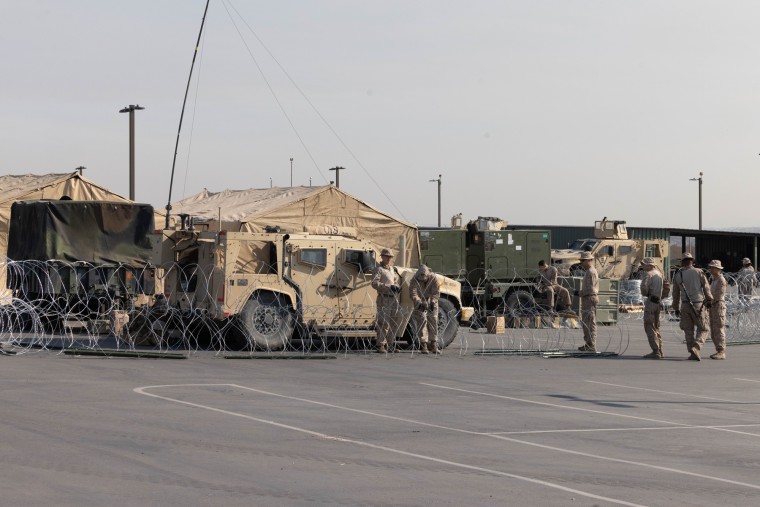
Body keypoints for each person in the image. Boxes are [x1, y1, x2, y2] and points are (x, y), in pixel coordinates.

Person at [671, 253, 713, 361]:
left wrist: (675, 307)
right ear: (692, 261)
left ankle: (692, 351)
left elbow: (675, 293)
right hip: (698, 304)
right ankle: (697, 346)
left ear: (682, 262)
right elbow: (706, 288)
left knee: (688, 330)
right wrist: (709, 300)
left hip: (685, 304)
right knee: (704, 328)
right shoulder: (699, 272)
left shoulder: (678, 275)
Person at [371, 248, 401, 353]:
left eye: (390, 257)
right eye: (386, 256)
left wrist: (396, 287)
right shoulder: (378, 269)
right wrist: (388, 287)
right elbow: (374, 283)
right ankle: (381, 345)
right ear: (382, 257)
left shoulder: (392, 269)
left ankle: (390, 344)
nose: (388, 259)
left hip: (393, 298)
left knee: (393, 322)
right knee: (383, 322)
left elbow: (396, 281)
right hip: (383, 298)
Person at [409, 264, 441, 354]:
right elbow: (413, 293)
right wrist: (419, 303)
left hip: (431, 300)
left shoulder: (433, 278)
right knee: (422, 321)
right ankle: (424, 345)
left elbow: (436, 292)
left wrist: (433, 301)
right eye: (421, 278)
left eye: (424, 278)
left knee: (433, 320)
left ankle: (434, 343)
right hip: (420, 302)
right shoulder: (414, 280)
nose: (422, 279)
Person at [639, 257, 664, 359]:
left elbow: (644, 289)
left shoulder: (648, 275)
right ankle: (660, 349)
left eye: (644, 264)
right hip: (658, 302)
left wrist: (646, 293)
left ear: (650, 265)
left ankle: (655, 350)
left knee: (649, 326)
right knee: (656, 326)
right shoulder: (660, 274)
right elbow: (666, 287)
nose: (643, 266)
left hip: (651, 302)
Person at [575, 251, 598, 352]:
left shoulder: (591, 272)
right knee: (585, 322)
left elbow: (591, 289)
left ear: (589, 260)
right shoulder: (588, 271)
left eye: (583, 260)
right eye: (581, 260)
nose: (581, 262)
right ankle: (588, 344)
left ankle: (591, 345)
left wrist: (579, 293)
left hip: (589, 297)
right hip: (586, 298)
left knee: (590, 322)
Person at [707, 259, 727, 360]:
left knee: (719, 328)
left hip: (718, 305)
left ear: (717, 269)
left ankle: (721, 350)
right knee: (714, 328)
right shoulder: (714, 279)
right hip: (713, 305)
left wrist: (710, 300)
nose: (710, 269)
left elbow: (719, 294)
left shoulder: (721, 280)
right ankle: (718, 349)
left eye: (712, 267)